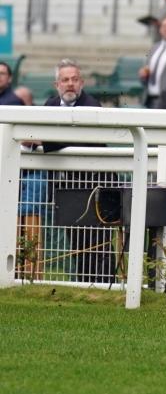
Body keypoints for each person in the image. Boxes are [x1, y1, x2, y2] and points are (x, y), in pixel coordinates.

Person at [43, 60, 114, 283]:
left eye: (74, 79)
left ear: (82, 83)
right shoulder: (49, 105)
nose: (70, 84)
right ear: (57, 84)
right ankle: (84, 284)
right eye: (65, 80)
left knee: (97, 240)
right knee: (76, 240)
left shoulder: (92, 105)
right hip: (67, 185)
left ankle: (105, 285)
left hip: (94, 184)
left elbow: (80, 140)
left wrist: (43, 142)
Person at [139, 15, 166, 108]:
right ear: (160, 29)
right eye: (164, 26)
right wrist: (143, 74)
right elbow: (147, 69)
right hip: (149, 98)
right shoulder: (154, 47)